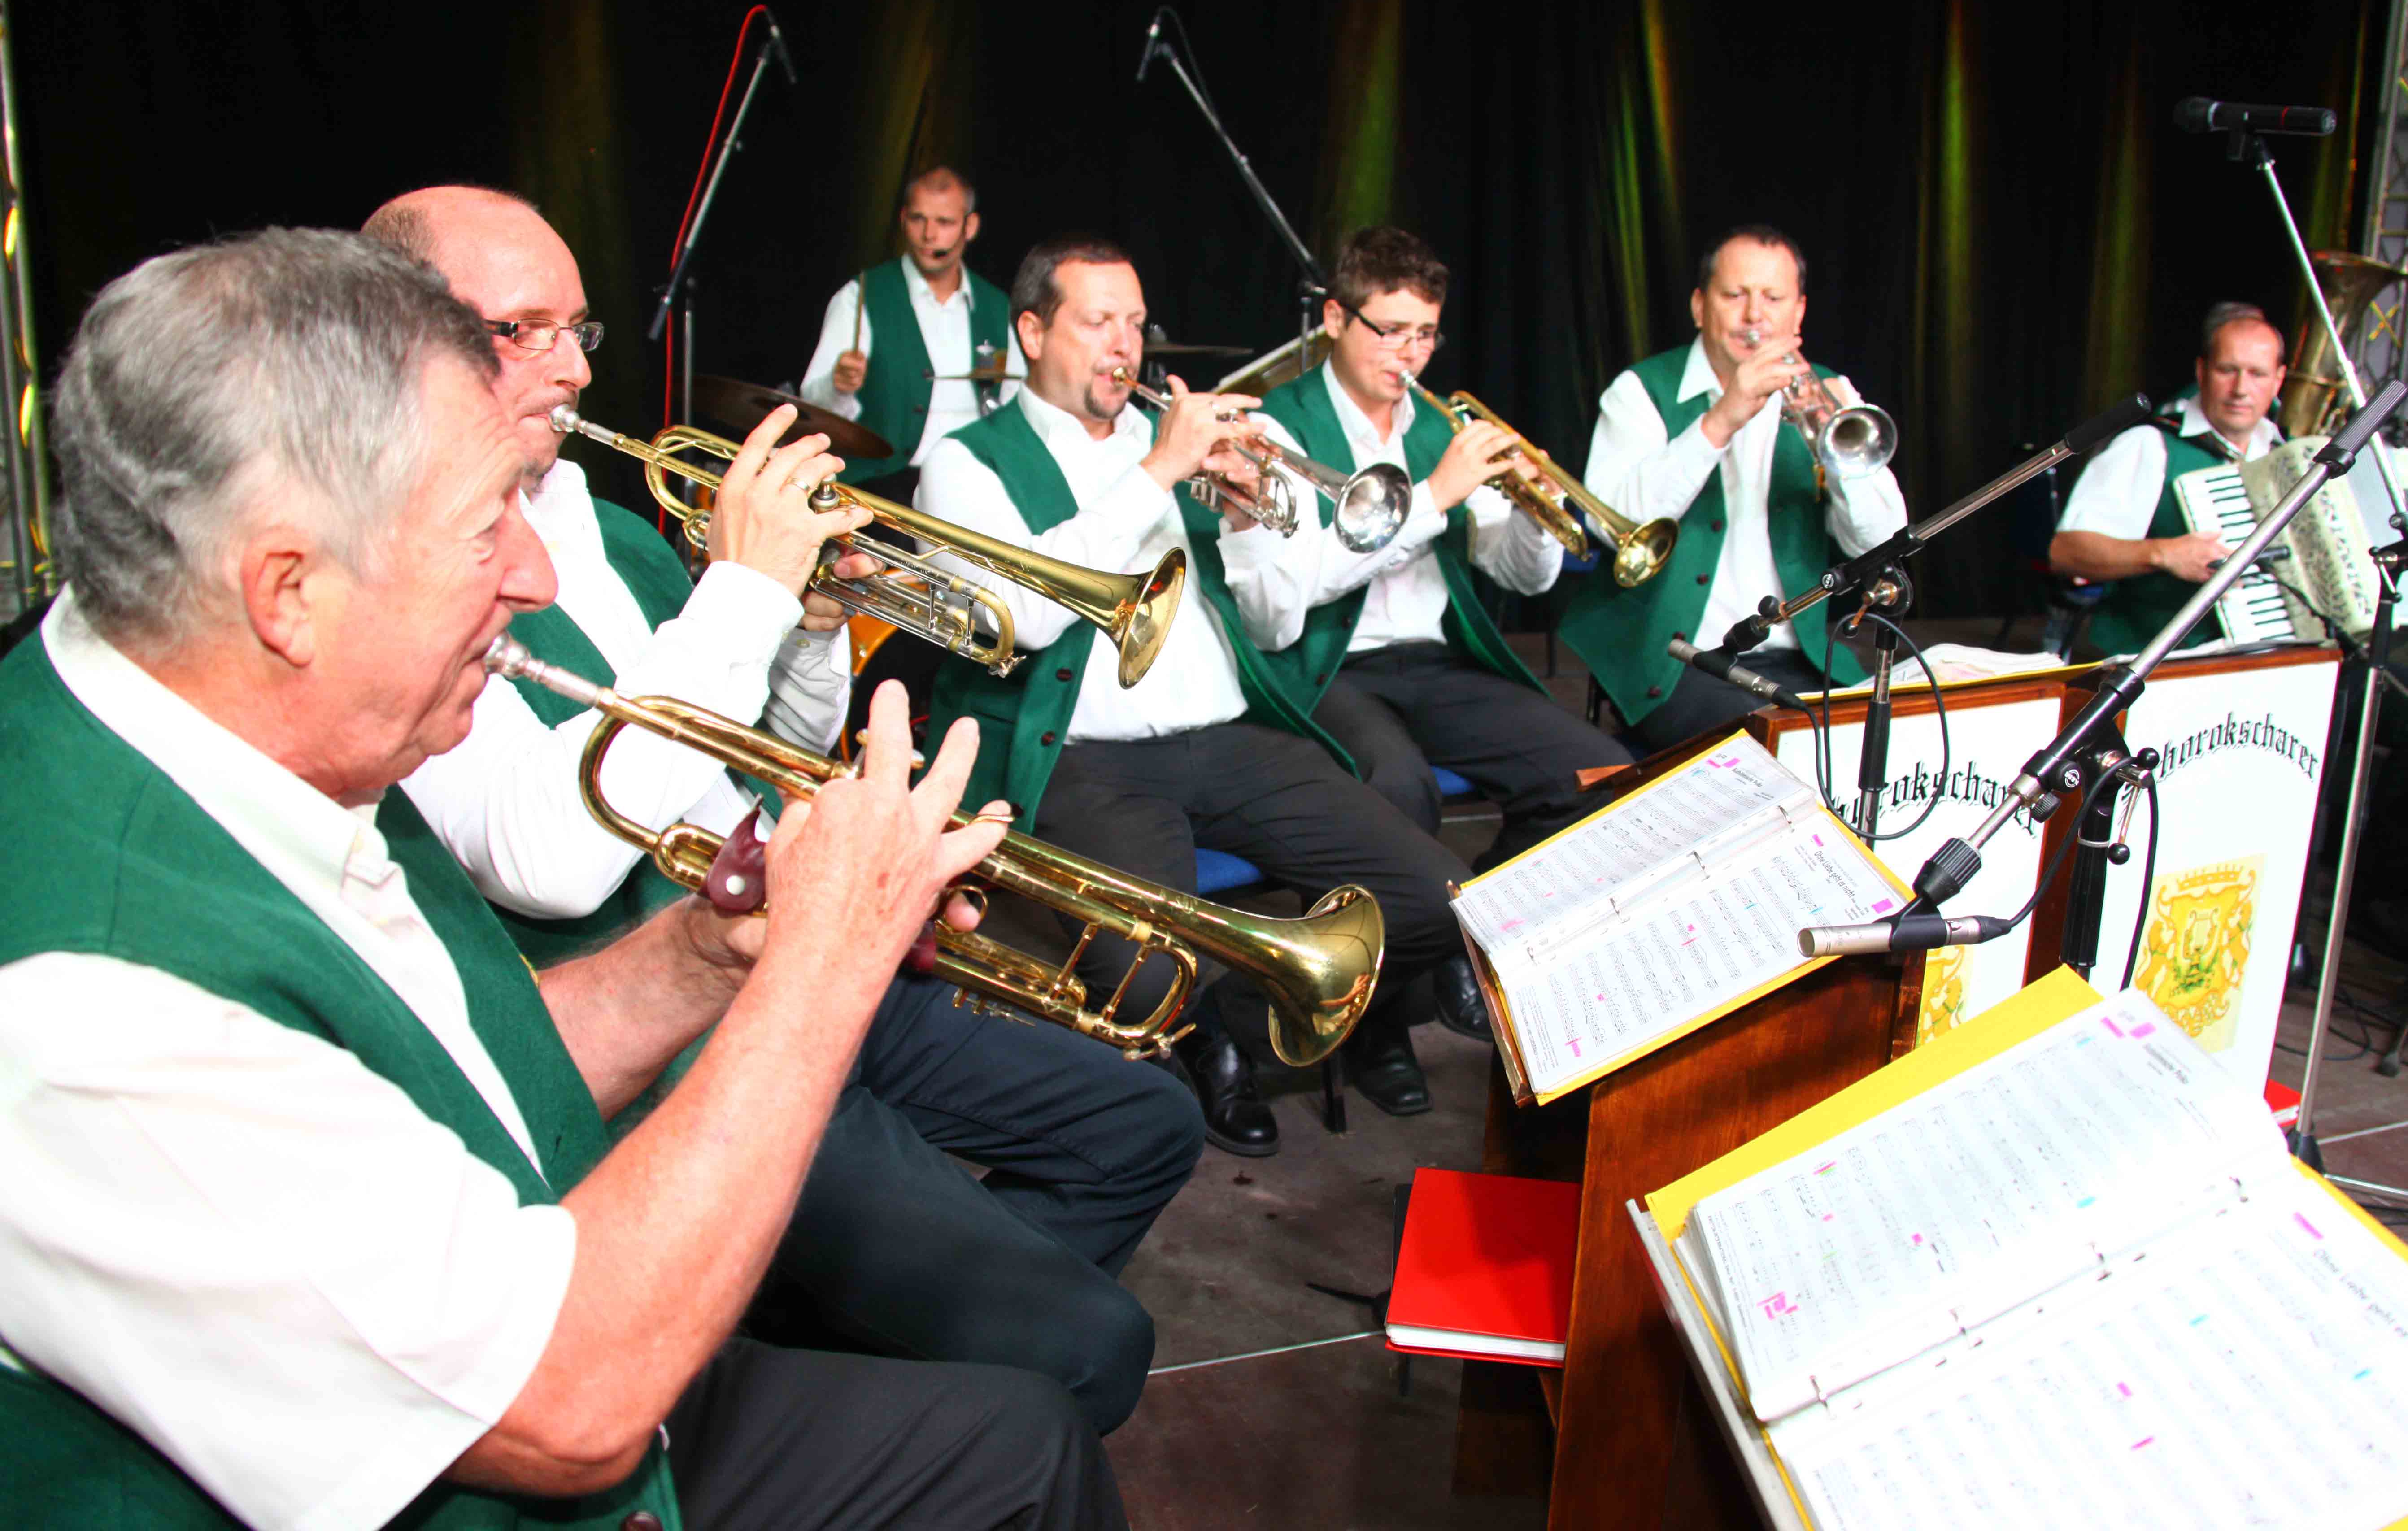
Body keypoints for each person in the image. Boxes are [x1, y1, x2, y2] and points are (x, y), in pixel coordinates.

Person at [0, 226, 1124, 1528]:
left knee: (1030, 1442)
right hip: (548, 1405)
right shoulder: (91, 1008)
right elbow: (571, 1400)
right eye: (485, 528)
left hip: (518, 1352)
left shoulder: (223, 713)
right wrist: (830, 959)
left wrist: (713, 950)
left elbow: (464, 1066)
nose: (532, 575)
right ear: (288, 592)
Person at [372, 187, 1202, 1435]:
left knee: (1148, 1121)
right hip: (680, 1047)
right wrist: (746, 590)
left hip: (796, 947)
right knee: (1095, 1344)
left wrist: (808, 625)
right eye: (522, 331)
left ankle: (837, 1352)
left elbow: (772, 746)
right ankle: (893, 1391)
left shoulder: (609, 529)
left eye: (578, 330)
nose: (575, 367)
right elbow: (543, 859)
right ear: (398, 339)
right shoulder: (398, 570)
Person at [914, 233, 1478, 1153]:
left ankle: (1226, 1020)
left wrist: (1251, 517)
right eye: (1097, 321)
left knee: (1437, 900)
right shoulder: (965, 461)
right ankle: (1189, 1028)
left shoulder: (1176, 448)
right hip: (1083, 761)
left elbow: (1276, 627)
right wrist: (1157, 476)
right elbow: (1021, 617)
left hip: (1226, 740)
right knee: (1142, 981)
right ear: (1031, 332)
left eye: (1135, 323)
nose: (1124, 345)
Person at [1225, 226, 1631, 1040]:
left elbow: (1522, 577)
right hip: (1325, 664)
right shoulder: (1280, 427)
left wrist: (1534, 507)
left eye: (1425, 333)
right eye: (1389, 330)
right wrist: (1435, 497)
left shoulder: (1440, 426)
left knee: (1599, 774)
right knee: (1397, 788)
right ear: (1335, 318)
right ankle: (1379, 1031)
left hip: (1434, 661)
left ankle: (1464, 937)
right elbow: (1296, 589)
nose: (1408, 353)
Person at [2050, 301, 2408, 932]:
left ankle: (2362, 903)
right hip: (2180, 660)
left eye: (2256, 373)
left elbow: (2351, 571)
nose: (2240, 387)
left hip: (2297, 659)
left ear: (2280, 381)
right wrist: (2161, 553)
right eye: (2227, 370)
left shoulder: (2309, 459)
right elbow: (2067, 551)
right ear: (2202, 371)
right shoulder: (2151, 445)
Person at [1564, 225, 1909, 755]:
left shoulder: (1830, 390)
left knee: (1892, 748)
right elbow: (1615, 527)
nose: (1755, 316)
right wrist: (1721, 419)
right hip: (1676, 662)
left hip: (1802, 659)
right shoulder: (1640, 391)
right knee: (1782, 754)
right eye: (1734, 295)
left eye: (1773, 298)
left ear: (1798, 313)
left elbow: (1882, 545)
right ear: (1700, 307)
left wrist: (1838, 458)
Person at [801, 164, 1019, 497]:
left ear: (970, 226)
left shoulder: (998, 308)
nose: (930, 235)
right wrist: (838, 386)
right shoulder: (860, 296)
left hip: (971, 487)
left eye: (945, 222)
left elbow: (1016, 408)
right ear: (904, 219)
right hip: (881, 487)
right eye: (919, 219)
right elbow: (813, 411)